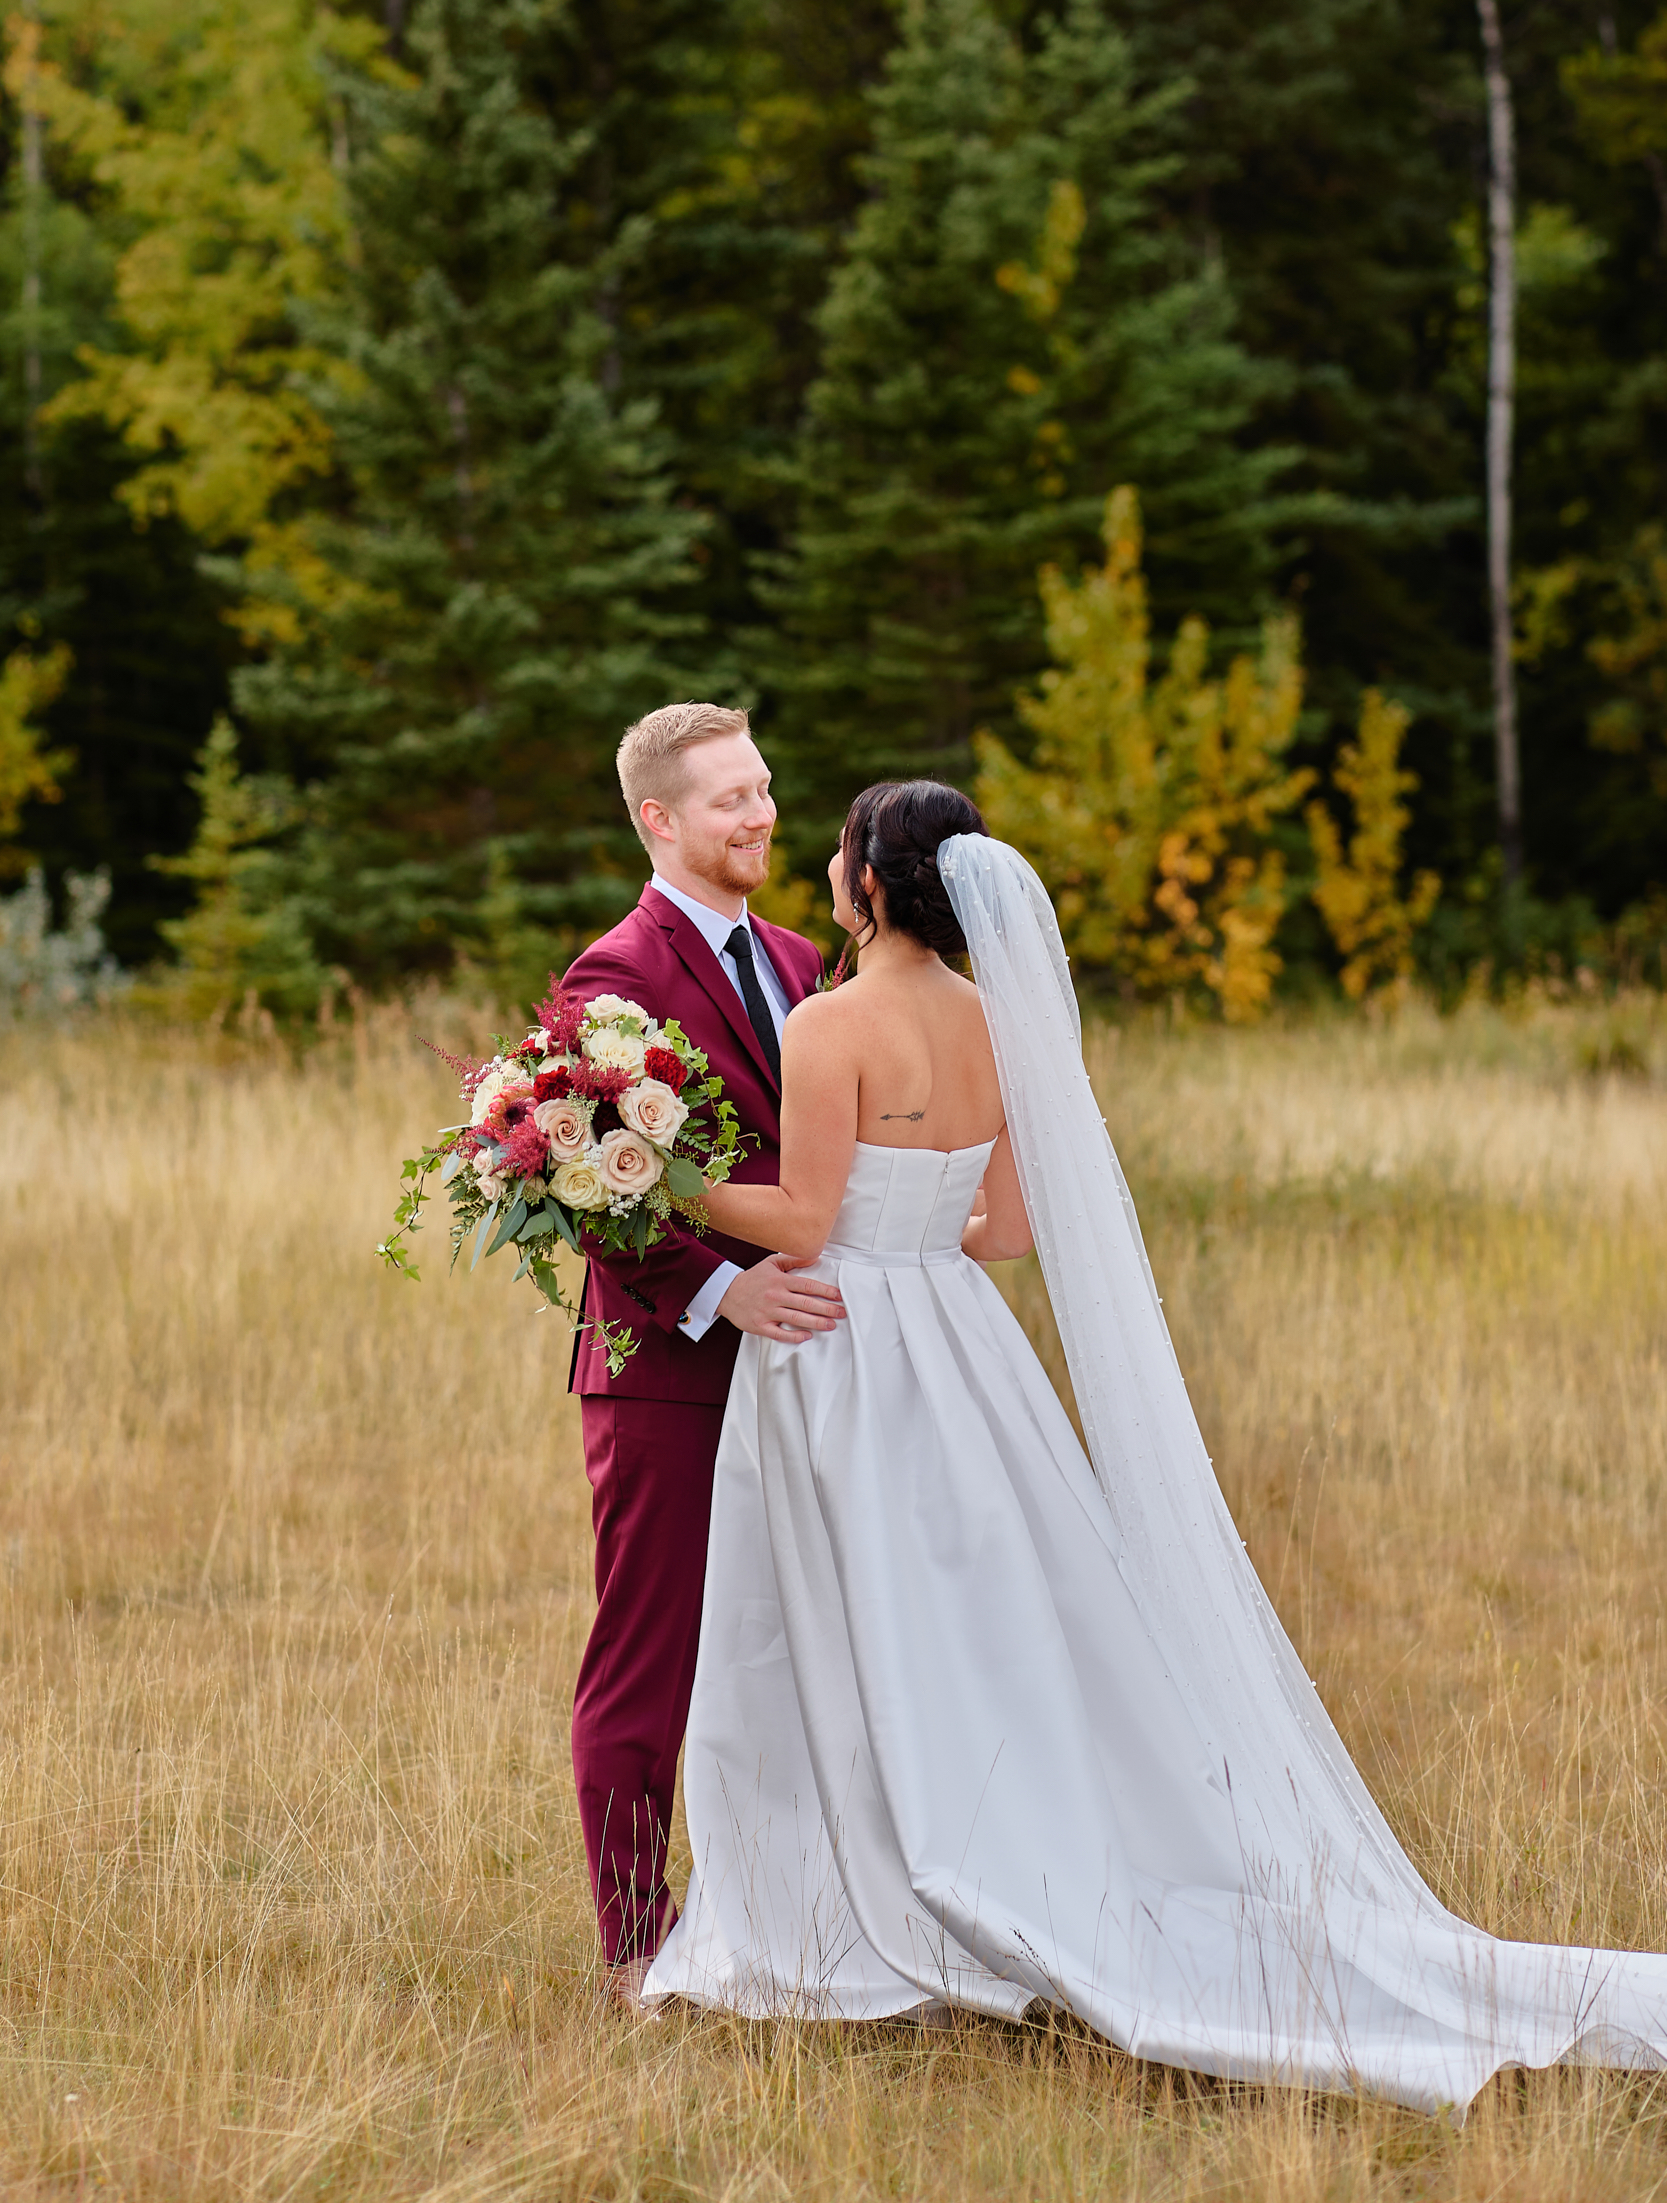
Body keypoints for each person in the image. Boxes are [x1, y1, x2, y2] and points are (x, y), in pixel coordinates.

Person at [641, 777, 1667, 2111]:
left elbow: (798, 1218)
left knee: (832, 1621)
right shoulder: (1001, 1020)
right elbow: (1003, 1230)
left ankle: (853, 1910)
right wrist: (919, 1222)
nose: (828, 873)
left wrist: (648, 1168)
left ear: (872, 886)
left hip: (847, 1346)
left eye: (838, 853)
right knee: (975, 1621)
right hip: (963, 1340)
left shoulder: (833, 1023)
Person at [557, 703, 845, 2007]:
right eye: (731, 798)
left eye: (766, 788)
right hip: (668, 1366)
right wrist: (720, 1291)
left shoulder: (801, 962)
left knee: (807, 1645)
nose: (762, 814)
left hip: (815, 1364)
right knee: (651, 1657)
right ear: (658, 819)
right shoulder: (611, 979)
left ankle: (796, 1917)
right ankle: (638, 1946)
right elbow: (585, 1177)